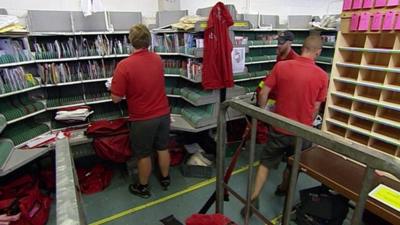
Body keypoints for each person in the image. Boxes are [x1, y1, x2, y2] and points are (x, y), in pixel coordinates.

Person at [241, 35, 328, 217]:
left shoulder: (281, 66)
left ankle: (252, 200)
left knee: (265, 164)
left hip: (279, 128)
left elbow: (264, 92)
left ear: (301, 47)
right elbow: (316, 108)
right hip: (301, 132)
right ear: (318, 52)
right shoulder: (322, 76)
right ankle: (284, 192)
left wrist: (263, 112)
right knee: (293, 165)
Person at [111, 24, 171, 199]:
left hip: (143, 118)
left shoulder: (124, 65)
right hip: (163, 114)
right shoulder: (158, 59)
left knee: (143, 155)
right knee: (162, 147)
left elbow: (116, 98)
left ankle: (143, 187)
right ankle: (165, 179)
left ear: (131, 41)